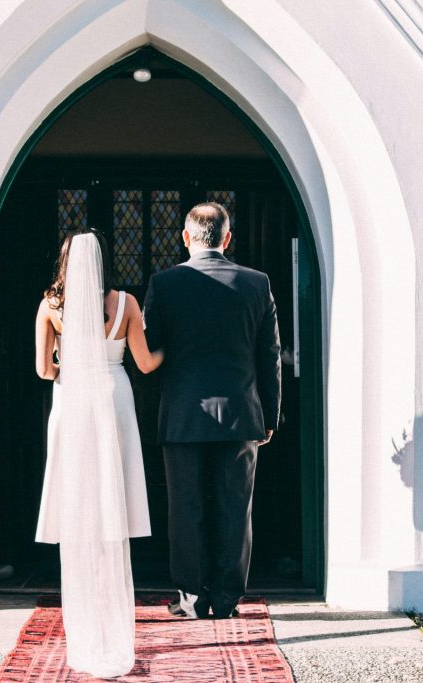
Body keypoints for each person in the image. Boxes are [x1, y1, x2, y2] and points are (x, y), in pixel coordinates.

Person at [33, 228, 163, 678]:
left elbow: (43, 369)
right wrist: (169, 349)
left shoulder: (51, 306)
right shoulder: (126, 304)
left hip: (73, 398)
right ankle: (114, 617)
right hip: (113, 395)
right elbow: (145, 363)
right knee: (112, 487)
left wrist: (69, 359)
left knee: (79, 494)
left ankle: (86, 619)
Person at [143, 202, 282, 620]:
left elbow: (149, 352)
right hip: (240, 414)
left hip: (183, 415)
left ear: (186, 237)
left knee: (186, 509)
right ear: (227, 238)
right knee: (235, 509)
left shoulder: (165, 284)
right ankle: (226, 600)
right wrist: (269, 415)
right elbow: (269, 356)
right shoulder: (256, 283)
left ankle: (190, 597)